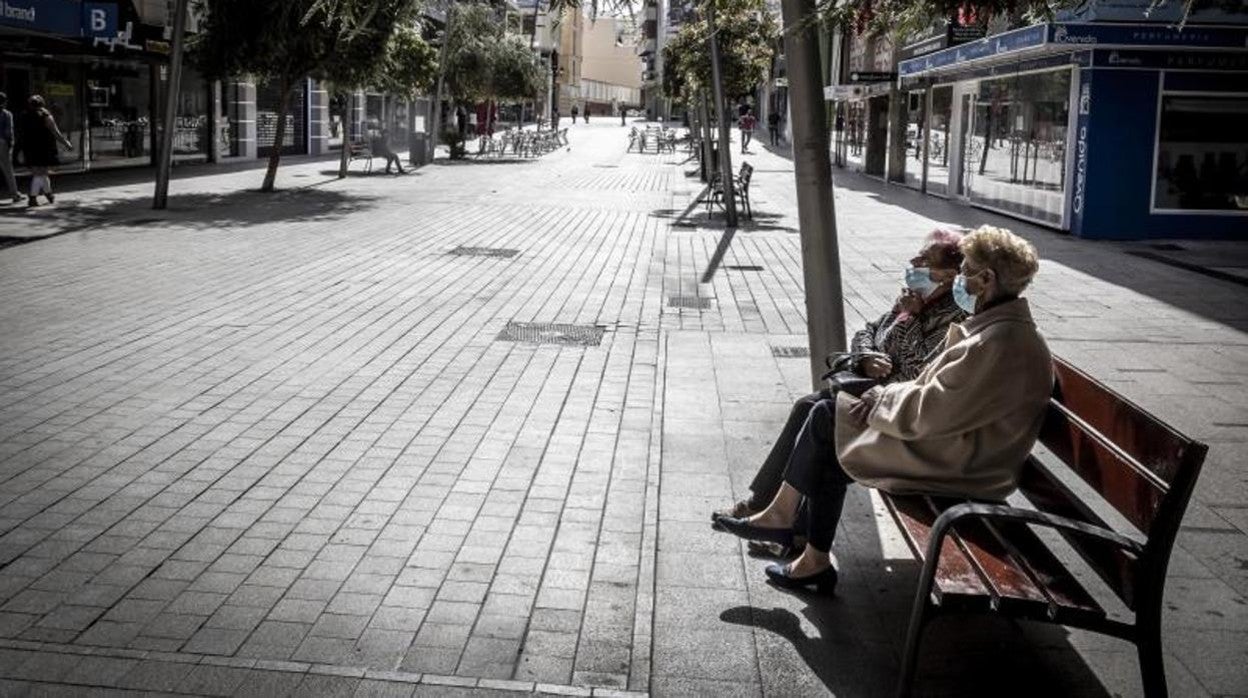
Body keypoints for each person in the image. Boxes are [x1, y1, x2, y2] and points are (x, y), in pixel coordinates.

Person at [713, 226, 1053, 594]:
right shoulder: (997, 332)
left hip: (961, 464)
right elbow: (929, 389)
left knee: (828, 418)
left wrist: (878, 398)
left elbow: (931, 408)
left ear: (986, 279)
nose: (961, 279)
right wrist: (876, 389)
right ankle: (800, 543)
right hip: (954, 446)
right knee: (828, 414)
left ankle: (792, 532)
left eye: (966, 270)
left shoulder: (998, 342)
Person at [714, 229, 967, 528]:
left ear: (949, 275)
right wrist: (864, 358)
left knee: (820, 416)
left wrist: (911, 318)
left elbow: (919, 371)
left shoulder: (953, 315)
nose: (914, 260)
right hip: (875, 392)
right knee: (808, 406)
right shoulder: (917, 298)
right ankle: (769, 508)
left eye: (925, 258)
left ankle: (783, 520)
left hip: (895, 408)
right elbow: (868, 331)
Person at [19, 95, 72, 208]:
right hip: (43, 147)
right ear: (42, 104)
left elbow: (21, 133)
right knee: (41, 173)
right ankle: (33, 197)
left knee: (41, 173)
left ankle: (49, 194)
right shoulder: (46, 116)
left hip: (29, 147)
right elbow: (55, 132)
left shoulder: (24, 115)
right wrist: (66, 143)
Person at [0, 92, 20, 203]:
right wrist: (11, 144)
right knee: (8, 170)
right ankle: (14, 194)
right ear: (4, 102)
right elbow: (9, 131)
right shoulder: (6, 114)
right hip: (2, 142)